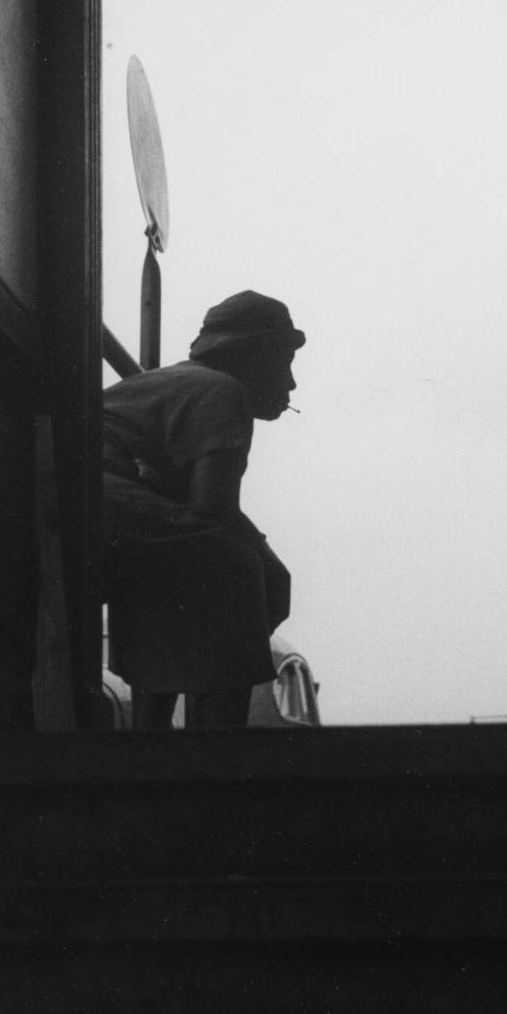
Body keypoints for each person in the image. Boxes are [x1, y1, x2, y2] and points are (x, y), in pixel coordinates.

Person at [102, 290, 304, 729]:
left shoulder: (181, 382)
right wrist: (266, 559)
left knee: (196, 554)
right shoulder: (222, 391)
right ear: (251, 355)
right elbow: (213, 508)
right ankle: (216, 740)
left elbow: (196, 514)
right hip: (104, 497)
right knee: (237, 565)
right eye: (283, 362)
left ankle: (152, 729)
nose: (290, 384)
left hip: (94, 497)